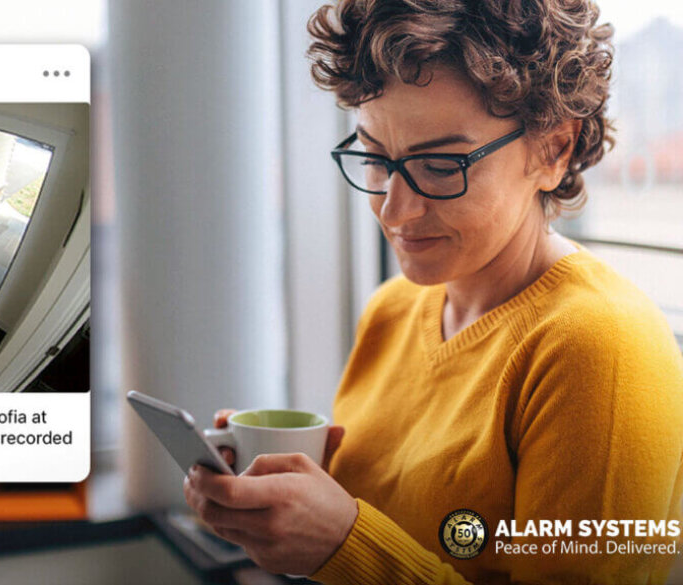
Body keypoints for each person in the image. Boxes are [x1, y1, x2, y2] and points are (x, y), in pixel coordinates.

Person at [183, 0, 683, 583]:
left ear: (554, 149)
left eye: (442, 166)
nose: (395, 209)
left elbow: (366, 546)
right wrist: (287, 497)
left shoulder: (600, 347)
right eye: (374, 157)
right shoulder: (394, 308)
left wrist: (344, 544)